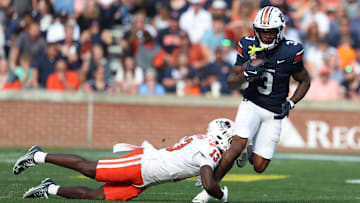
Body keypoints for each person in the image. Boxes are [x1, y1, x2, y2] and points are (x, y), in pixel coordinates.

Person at [192, 6, 311, 202]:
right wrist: (246, 74)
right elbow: (230, 82)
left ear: (280, 30)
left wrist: (291, 103)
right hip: (252, 102)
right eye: (262, 31)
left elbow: (304, 80)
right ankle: (208, 192)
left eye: (270, 31)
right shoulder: (248, 45)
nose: (265, 35)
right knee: (236, 144)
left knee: (259, 166)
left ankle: (248, 151)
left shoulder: (292, 50)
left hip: (274, 111)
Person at [13, 118, 234, 202]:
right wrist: (221, 196)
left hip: (145, 181)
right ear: (221, 136)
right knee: (90, 169)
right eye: (230, 139)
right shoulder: (210, 148)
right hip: (141, 165)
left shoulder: (204, 142)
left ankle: (49, 188)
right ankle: (38, 155)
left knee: (96, 196)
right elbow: (208, 183)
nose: (232, 144)